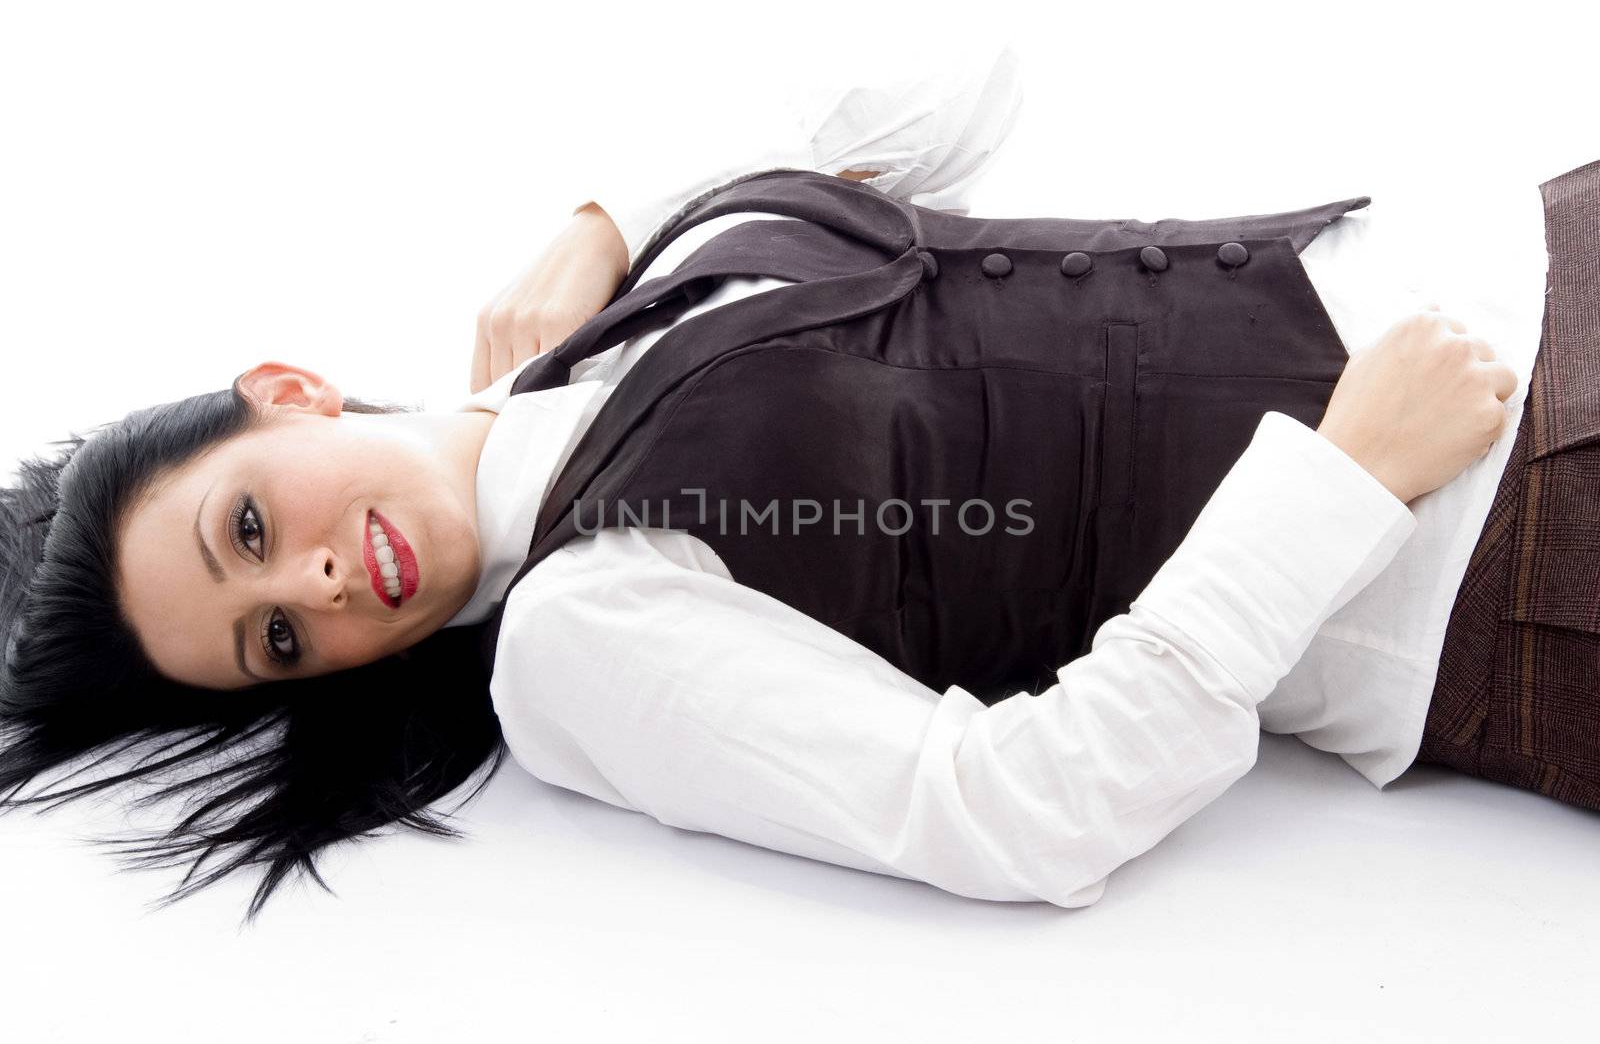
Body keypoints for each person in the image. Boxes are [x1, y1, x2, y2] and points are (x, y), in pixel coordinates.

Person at [0, 47, 1543, 920]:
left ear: (285, 393)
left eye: (249, 531)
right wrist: (1340, 481)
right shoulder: (576, 639)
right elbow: (1009, 813)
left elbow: (963, 69)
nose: (317, 588)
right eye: (276, 636)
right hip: (1502, 539)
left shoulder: (608, 303)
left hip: (1531, 250)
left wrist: (617, 212)